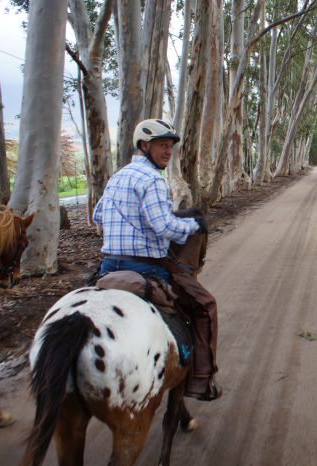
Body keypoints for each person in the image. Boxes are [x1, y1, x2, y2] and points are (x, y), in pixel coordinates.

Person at [93, 119, 220, 401]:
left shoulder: (117, 177)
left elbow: (97, 216)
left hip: (108, 266)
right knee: (204, 306)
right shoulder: (152, 180)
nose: (167, 152)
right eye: (162, 146)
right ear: (143, 146)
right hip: (146, 267)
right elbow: (165, 227)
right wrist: (194, 227)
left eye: (170, 147)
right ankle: (202, 379)